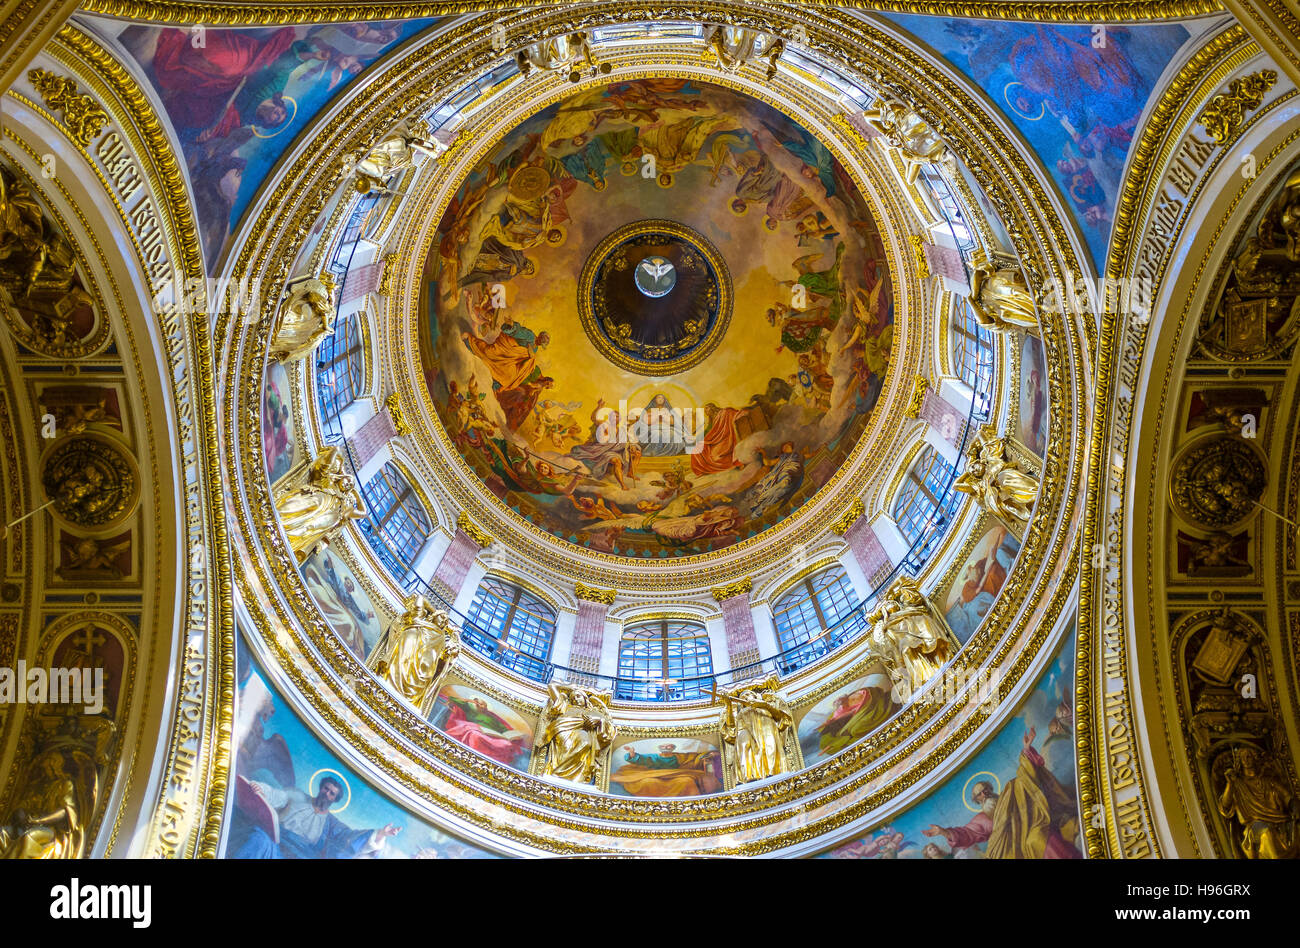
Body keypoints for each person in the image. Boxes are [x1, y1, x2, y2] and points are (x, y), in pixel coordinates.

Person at [922, 728, 1080, 858]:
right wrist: (944, 832)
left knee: (1039, 839)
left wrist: (1026, 750)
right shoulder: (982, 819)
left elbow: (1025, 777)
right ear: (977, 801)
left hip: (1031, 828)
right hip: (1009, 848)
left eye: (986, 789)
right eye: (980, 794)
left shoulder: (1010, 793)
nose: (985, 794)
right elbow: (966, 834)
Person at [234, 775, 400, 859]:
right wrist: (260, 788)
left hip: (301, 856)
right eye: (325, 789)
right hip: (275, 844)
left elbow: (350, 838)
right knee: (258, 838)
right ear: (320, 788)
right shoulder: (298, 796)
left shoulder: (331, 824)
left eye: (331, 793)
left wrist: (379, 835)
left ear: (335, 799)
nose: (326, 793)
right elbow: (276, 795)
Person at [610, 743, 721, 797]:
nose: (666, 749)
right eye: (665, 747)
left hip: (677, 775)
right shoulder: (654, 757)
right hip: (655, 775)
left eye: (669, 747)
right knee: (647, 782)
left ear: (672, 749)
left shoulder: (679, 757)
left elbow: (694, 757)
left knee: (687, 781)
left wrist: (708, 754)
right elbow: (641, 759)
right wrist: (632, 754)